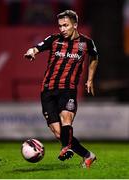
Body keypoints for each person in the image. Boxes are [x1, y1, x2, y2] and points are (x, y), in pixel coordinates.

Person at [24, 10, 98, 168]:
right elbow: (37, 47)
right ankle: (88, 155)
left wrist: (90, 79)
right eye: (60, 26)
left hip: (68, 89)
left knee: (66, 119)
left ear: (75, 25)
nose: (62, 29)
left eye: (66, 25)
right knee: (59, 133)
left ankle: (66, 148)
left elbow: (94, 57)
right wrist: (32, 51)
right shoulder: (54, 39)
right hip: (48, 91)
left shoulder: (86, 43)